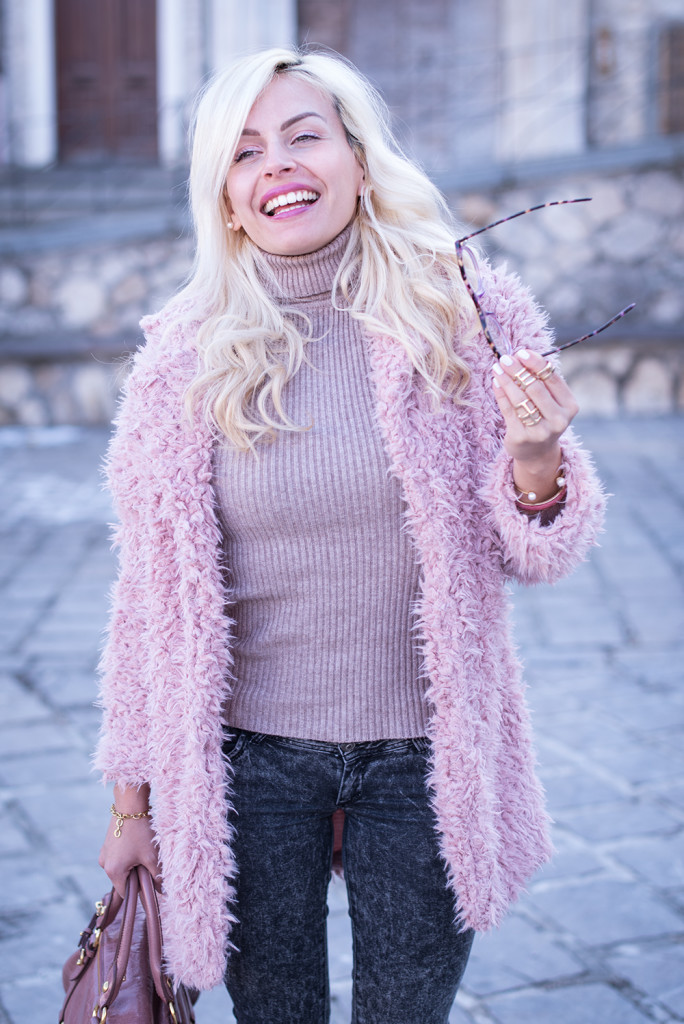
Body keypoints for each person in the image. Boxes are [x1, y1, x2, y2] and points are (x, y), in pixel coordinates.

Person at [97, 46, 606, 1024]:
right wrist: (131, 805)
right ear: (228, 199)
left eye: (303, 136)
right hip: (249, 767)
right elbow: (144, 606)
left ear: (360, 160)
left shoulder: (464, 312)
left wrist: (538, 453)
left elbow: (541, 547)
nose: (278, 164)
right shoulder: (183, 356)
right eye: (246, 153)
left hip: (425, 756)